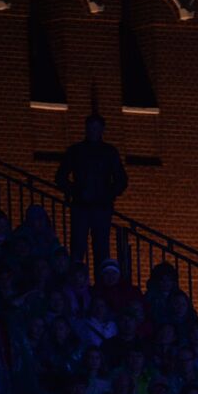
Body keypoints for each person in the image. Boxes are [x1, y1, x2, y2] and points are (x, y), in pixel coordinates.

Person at [55, 114, 127, 278]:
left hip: (99, 207)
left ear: (102, 130)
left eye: (97, 128)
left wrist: (107, 194)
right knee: (79, 246)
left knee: (100, 247)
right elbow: (60, 177)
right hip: (83, 205)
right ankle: (77, 280)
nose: (93, 131)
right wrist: (77, 191)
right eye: (91, 127)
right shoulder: (77, 151)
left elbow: (121, 180)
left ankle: (99, 283)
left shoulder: (108, 152)